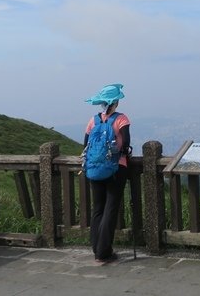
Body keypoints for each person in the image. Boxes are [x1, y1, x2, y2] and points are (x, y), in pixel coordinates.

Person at [83, 83, 131, 265]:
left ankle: (96, 249)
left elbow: (85, 145)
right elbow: (125, 144)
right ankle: (104, 252)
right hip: (115, 169)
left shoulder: (93, 120)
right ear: (116, 102)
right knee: (111, 209)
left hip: (94, 169)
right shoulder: (121, 119)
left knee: (98, 209)